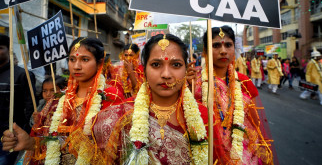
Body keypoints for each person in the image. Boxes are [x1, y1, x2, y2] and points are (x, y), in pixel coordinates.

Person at [1, 37, 125, 164]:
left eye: (85, 59)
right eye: (72, 59)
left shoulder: (112, 97)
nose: (76, 66)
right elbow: (47, 142)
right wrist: (30, 142)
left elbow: (118, 150)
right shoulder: (57, 100)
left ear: (99, 63)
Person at [92, 34, 208, 164]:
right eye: (156, 64)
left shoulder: (205, 116)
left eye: (176, 64)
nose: (166, 74)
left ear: (186, 69)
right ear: (145, 69)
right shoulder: (120, 115)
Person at [195, 26, 275, 164]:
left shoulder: (245, 82)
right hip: (208, 153)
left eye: (228, 45)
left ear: (234, 48)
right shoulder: (195, 83)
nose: (223, 51)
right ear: (206, 51)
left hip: (245, 154)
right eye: (216, 46)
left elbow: (256, 124)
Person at [0, 34, 36, 165]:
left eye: (0, 48)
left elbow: (30, 107)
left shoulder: (22, 74)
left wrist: (24, 132)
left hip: (11, 137)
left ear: (8, 49)